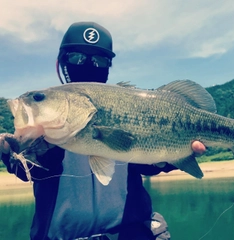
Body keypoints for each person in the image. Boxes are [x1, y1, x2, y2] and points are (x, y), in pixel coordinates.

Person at [0, 22, 206, 240]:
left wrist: (172, 157)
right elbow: (29, 171)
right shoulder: (46, 122)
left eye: (99, 60)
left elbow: (147, 164)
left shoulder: (124, 107)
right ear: (61, 62)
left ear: (109, 66)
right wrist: (13, 152)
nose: (88, 64)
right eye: (76, 57)